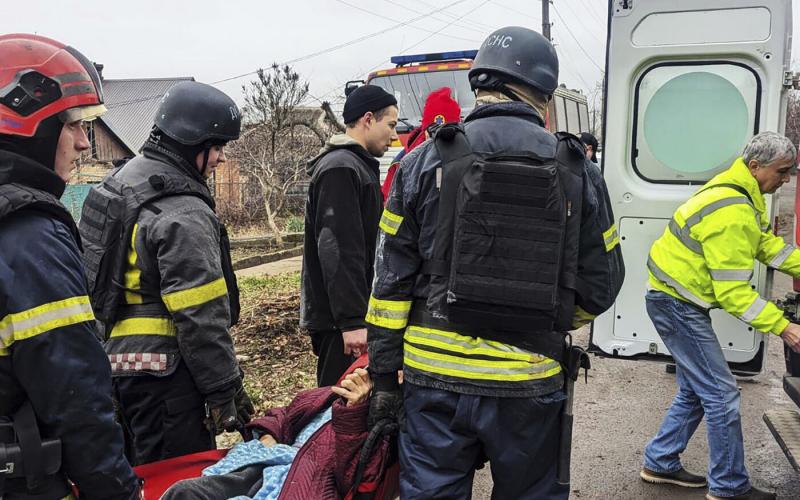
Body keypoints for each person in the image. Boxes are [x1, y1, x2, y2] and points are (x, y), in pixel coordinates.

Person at [366, 26, 623, 498]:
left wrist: (384, 375)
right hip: (529, 381)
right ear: (544, 93)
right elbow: (603, 283)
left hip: (433, 381)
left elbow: (389, 281)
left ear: (479, 84)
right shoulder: (578, 168)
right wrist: (550, 317)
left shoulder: (422, 161)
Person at [80, 81, 253, 465]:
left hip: (115, 371)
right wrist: (225, 389)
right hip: (168, 379)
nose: (221, 159)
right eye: (218, 147)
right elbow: (200, 315)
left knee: (138, 474)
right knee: (176, 478)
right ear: (195, 144)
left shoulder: (121, 182)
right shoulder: (183, 212)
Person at [0, 34, 140, 498]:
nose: (84, 143)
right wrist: (116, 489)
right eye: (73, 125)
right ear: (27, 123)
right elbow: (73, 388)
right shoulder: (29, 235)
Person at [641, 131, 800, 500]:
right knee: (722, 394)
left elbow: (767, 248)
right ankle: (729, 486)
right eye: (783, 171)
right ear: (755, 166)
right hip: (677, 305)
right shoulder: (732, 209)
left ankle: (660, 461)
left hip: (673, 299)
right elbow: (734, 295)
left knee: (699, 391)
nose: (787, 179)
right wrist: (785, 328)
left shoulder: (741, 192)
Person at [161, 366, 392, 499]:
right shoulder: (325, 395)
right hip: (270, 461)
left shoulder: (381, 426)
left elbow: (351, 479)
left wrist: (354, 412)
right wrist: (268, 435)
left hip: (307, 481)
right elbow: (281, 415)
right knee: (183, 492)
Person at [301, 85, 398, 386]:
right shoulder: (340, 168)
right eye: (391, 125)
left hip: (347, 321)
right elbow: (338, 249)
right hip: (343, 328)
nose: (394, 136)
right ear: (368, 119)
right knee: (340, 414)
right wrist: (353, 321)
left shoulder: (354, 166)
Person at [381, 86, 461, 201]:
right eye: (433, 130)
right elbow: (388, 205)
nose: (438, 136)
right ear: (424, 130)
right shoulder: (401, 163)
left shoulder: (470, 157)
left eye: (446, 131)